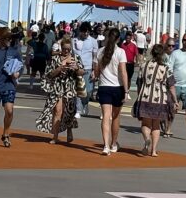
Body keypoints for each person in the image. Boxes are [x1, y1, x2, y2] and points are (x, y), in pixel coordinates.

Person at [35, 36, 84, 144]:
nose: (66, 51)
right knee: (57, 111)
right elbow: (49, 74)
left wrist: (76, 68)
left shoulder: (76, 58)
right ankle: (55, 136)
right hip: (57, 88)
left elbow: (82, 72)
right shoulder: (55, 59)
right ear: (61, 48)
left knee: (69, 111)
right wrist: (58, 69)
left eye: (68, 49)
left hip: (70, 88)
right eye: (65, 49)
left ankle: (69, 130)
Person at [132, 43, 177, 157]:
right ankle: (154, 150)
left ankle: (147, 139)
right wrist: (175, 100)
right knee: (156, 125)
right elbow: (171, 86)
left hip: (145, 96)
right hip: (160, 98)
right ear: (162, 54)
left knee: (145, 123)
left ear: (152, 53)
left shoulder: (144, 66)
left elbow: (139, 83)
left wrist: (139, 95)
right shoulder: (165, 68)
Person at [92, 27, 128, 155]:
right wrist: (126, 90)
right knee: (116, 117)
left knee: (106, 116)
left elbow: (96, 71)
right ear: (118, 39)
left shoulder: (100, 51)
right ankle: (113, 143)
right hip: (117, 87)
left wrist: (95, 76)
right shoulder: (120, 52)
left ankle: (106, 145)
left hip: (104, 87)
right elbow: (123, 72)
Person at [72, 22, 99, 118]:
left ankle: (85, 103)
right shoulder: (74, 40)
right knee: (78, 90)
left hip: (88, 68)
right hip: (77, 68)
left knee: (88, 91)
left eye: (88, 32)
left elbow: (95, 57)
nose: (86, 34)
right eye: (84, 32)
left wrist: (94, 71)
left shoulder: (93, 41)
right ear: (80, 31)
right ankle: (78, 110)